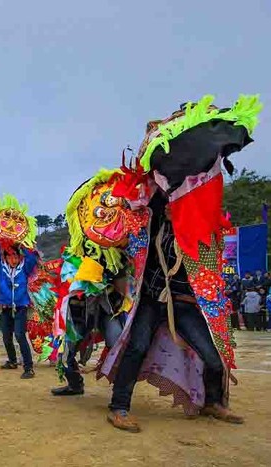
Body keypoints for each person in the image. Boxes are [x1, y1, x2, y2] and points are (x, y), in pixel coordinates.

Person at [98, 94, 259, 432]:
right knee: (137, 347)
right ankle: (119, 406)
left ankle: (213, 402)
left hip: (186, 300)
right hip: (152, 296)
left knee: (213, 355)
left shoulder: (200, 215)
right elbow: (134, 212)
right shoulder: (152, 207)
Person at [47, 166, 148, 396]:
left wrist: (118, 282)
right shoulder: (78, 249)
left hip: (109, 305)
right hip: (81, 304)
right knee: (67, 346)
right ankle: (74, 383)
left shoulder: (122, 249)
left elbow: (126, 275)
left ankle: (121, 394)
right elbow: (70, 279)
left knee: (117, 341)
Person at [0, 195, 41, 380]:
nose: (13, 258)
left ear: (19, 257)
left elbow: (31, 256)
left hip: (21, 307)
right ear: (5, 257)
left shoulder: (25, 268)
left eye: (16, 256)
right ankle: (12, 361)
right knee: (6, 337)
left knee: (20, 335)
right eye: (9, 256)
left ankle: (28, 367)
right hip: (4, 307)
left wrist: (23, 239)